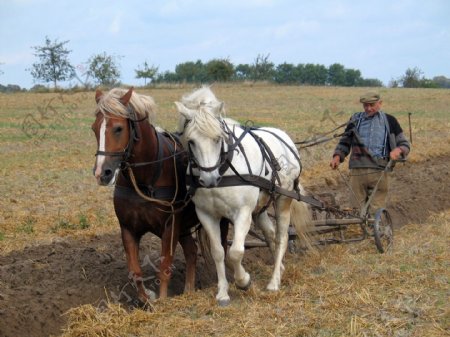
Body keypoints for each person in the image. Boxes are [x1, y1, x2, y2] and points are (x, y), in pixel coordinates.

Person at [330, 92, 410, 214]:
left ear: (380, 103)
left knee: (376, 210)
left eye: (371, 105)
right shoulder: (355, 120)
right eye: (365, 105)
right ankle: (357, 233)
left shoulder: (390, 121)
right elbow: (345, 141)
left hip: (380, 171)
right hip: (357, 171)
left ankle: (375, 231)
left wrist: (398, 150)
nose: (368, 108)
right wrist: (337, 156)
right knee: (355, 210)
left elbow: (404, 144)